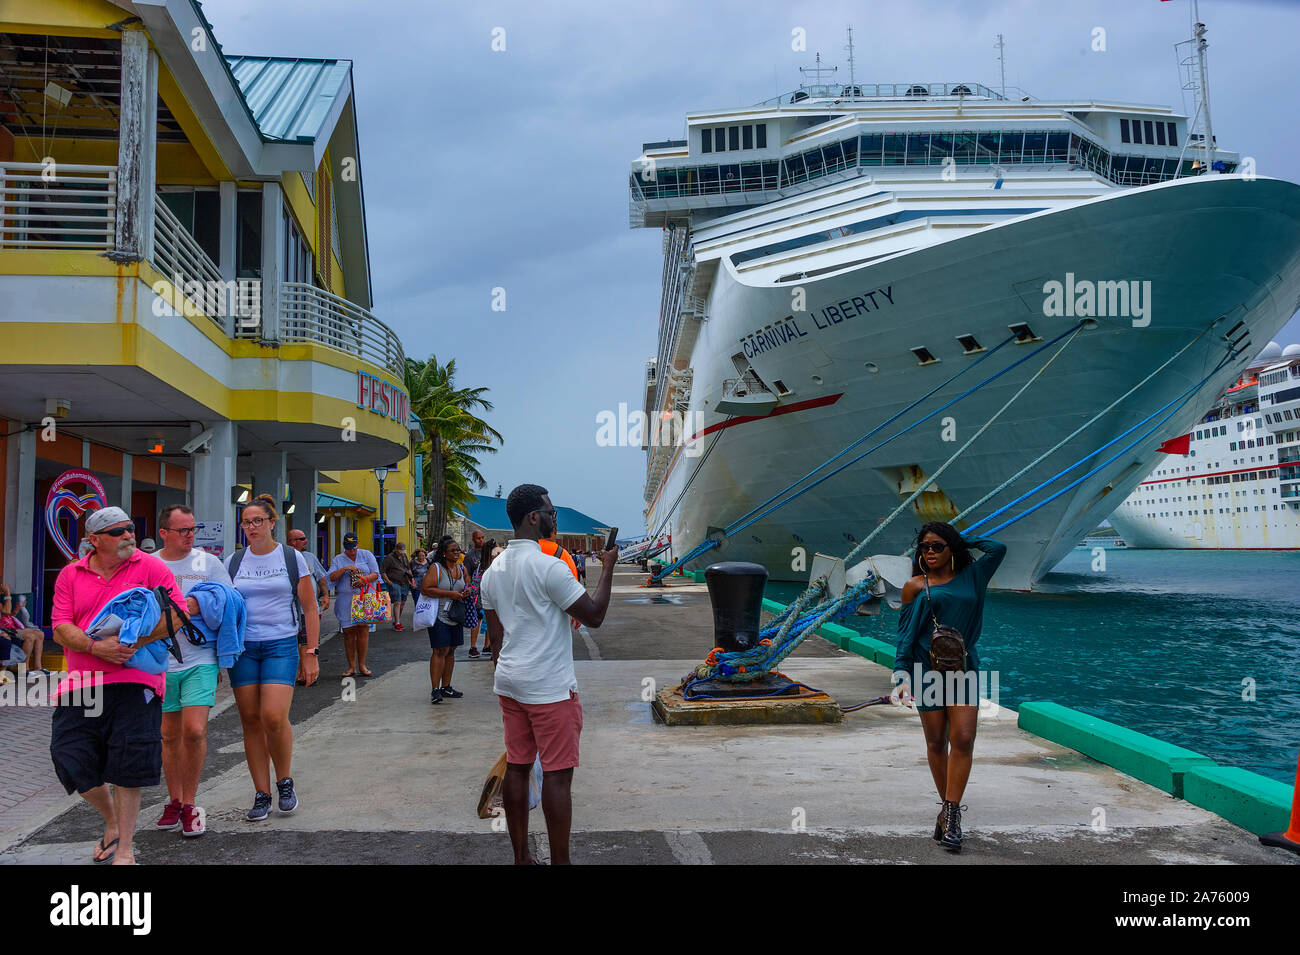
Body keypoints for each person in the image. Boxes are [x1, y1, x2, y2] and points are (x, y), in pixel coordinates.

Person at [480, 485, 617, 865]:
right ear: (533, 518)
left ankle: (521, 857)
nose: (555, 519)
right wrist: (607, 568)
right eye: (551, 512)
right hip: (550, 688)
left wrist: (508, 674)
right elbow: (595, 615)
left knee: (519, 767)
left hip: (509, 682)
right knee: (557, 775)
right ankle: (561, 862)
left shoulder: (493, 572)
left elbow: (495, 638)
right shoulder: (550, 566)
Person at [48, 505, 187, 865]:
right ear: (94, 541)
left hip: (136, 677)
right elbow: (61, 625)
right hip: (83, 681)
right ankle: (111, 820)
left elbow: (179, 613)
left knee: (128, 761)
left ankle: (125, 849)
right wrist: (96, 647)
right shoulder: (70, 574)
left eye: (129, 528)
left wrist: (132, 644)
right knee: (70, 758)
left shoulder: (150, 566)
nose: (128, 535)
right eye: (117, 531)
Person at [893, 521, 1006, 853]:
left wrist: (959, 540)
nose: (929, 552)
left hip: (963, 668)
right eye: (924, 547)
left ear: (951, 549)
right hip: (925, 670)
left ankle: (952, 814)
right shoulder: (915, 586)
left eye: (937, 546)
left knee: (964, 738)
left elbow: (998, 548)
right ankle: (947, 808)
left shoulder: (974, 577)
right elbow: (905, 633)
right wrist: (900, 672)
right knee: (936, 741)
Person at [225, 495, 320, 821]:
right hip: (244, 649)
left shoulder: (292, 558)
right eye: (246, 522)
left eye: (257, 521)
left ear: (271, 523)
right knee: (250, 720)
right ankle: (262, 793)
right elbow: (224, 606)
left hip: (281, 645)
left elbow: (310, 607)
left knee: (273, 716)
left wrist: (310, 652)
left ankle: (284, 781)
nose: (251, 527)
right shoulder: (234, 562)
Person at [152, 504, 232, 838]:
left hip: (200, 658)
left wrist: (204, 604)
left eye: (192, 529)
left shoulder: (208, 563)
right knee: (169, 735)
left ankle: (190, 802)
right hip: (159, 661)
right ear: (164, 533)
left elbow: (231, 599)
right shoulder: (149, 564)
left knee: (195, 731)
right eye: (182, 530)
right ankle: (173, 801)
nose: (189, 536)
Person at [420, 536, 468, 702]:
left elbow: (466, 585)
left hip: (456, 615)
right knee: (440, 650)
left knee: (451, 650)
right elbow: (425, 589)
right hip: (438, 615)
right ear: (444, 553)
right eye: (452, 551)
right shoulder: (436, 568)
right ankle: (435, 689)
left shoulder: (461, 568)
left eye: (458, 550)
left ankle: (446, 687)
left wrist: (465, 593)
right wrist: (450, 594)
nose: (456, 553)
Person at [328, 534, 381, 677]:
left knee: (363, 630)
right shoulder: (338, 559)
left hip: (364, 598)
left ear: (357, 545)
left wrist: (365, 579)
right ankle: (351, 666)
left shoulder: (366, 555)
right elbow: (331, 577)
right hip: (346, 599)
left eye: (353, 548)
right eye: (348, 549)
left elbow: (376, 574)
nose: (351, 551)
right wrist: (345, 569)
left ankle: (362, 664)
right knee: (348, 633)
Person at [288, 528, 330, 685]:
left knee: (308, 641)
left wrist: (325, 595)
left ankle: (306, 673)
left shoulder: (310, 557)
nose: (306, 541)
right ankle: (300, 671)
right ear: (293, 541)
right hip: (290, 609)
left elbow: (321, 578)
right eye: (302, 538)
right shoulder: (286, 558)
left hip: (308, 609)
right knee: (295, 642)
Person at [1, 583, 47, 676]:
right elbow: (6, 612)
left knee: (40, 634)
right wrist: (7, 594)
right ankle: (23, 670)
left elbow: (7, 615)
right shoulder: (4, 598)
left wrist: (16, 610)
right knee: (29, 636)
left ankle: (38, 667)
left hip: (10, 627)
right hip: (4, 629)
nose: (3, 586)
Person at [380, 541, 413, 632]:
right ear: (395, 550)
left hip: (405, 582)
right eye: (399, 552)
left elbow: (408, 568)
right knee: (397, 602)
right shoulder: (389, 558)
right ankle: (397, 623)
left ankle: (396, 620)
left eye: (402, 552)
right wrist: (388, 581)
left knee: (402, 603)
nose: (401, 554)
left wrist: (411, 580)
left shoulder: (404, 556)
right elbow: (383, 571)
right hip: (394, 582)